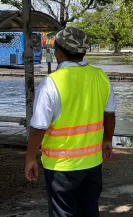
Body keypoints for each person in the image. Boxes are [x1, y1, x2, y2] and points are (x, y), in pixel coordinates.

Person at [24, 27, 116, 217]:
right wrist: (107, 140)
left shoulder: (51, 83)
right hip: (92, 164)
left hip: (61, 167)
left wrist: (30, 157)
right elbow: (109, 114)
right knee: (89, 212)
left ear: (58, 51)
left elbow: (38, 127)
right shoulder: (101, 76)